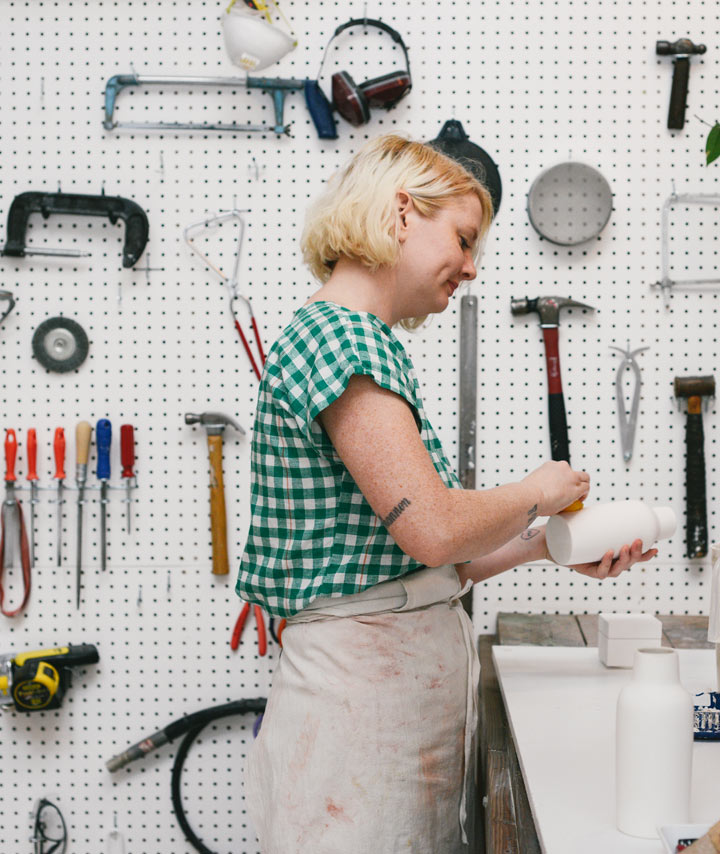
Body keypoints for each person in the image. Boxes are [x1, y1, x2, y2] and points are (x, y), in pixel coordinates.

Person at [237, 134, 657, 853]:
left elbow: (425, 567)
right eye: (463, 240)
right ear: (402, 213)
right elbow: (430, 529)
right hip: (357, 719)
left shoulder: (358, 339)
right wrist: (537, 491)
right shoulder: (341, 341)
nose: (470, 266)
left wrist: (549, 547)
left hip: (380, 707)